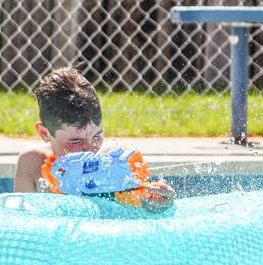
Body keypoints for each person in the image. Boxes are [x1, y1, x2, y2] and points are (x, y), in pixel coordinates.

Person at [14, 67, 175, 210]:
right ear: (44, 133)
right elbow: (23, 221)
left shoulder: (116, 160)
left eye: (97, 135)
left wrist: (154, 203)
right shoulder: (32, 164)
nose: (91, 148)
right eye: (76, 141)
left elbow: (140, 205)